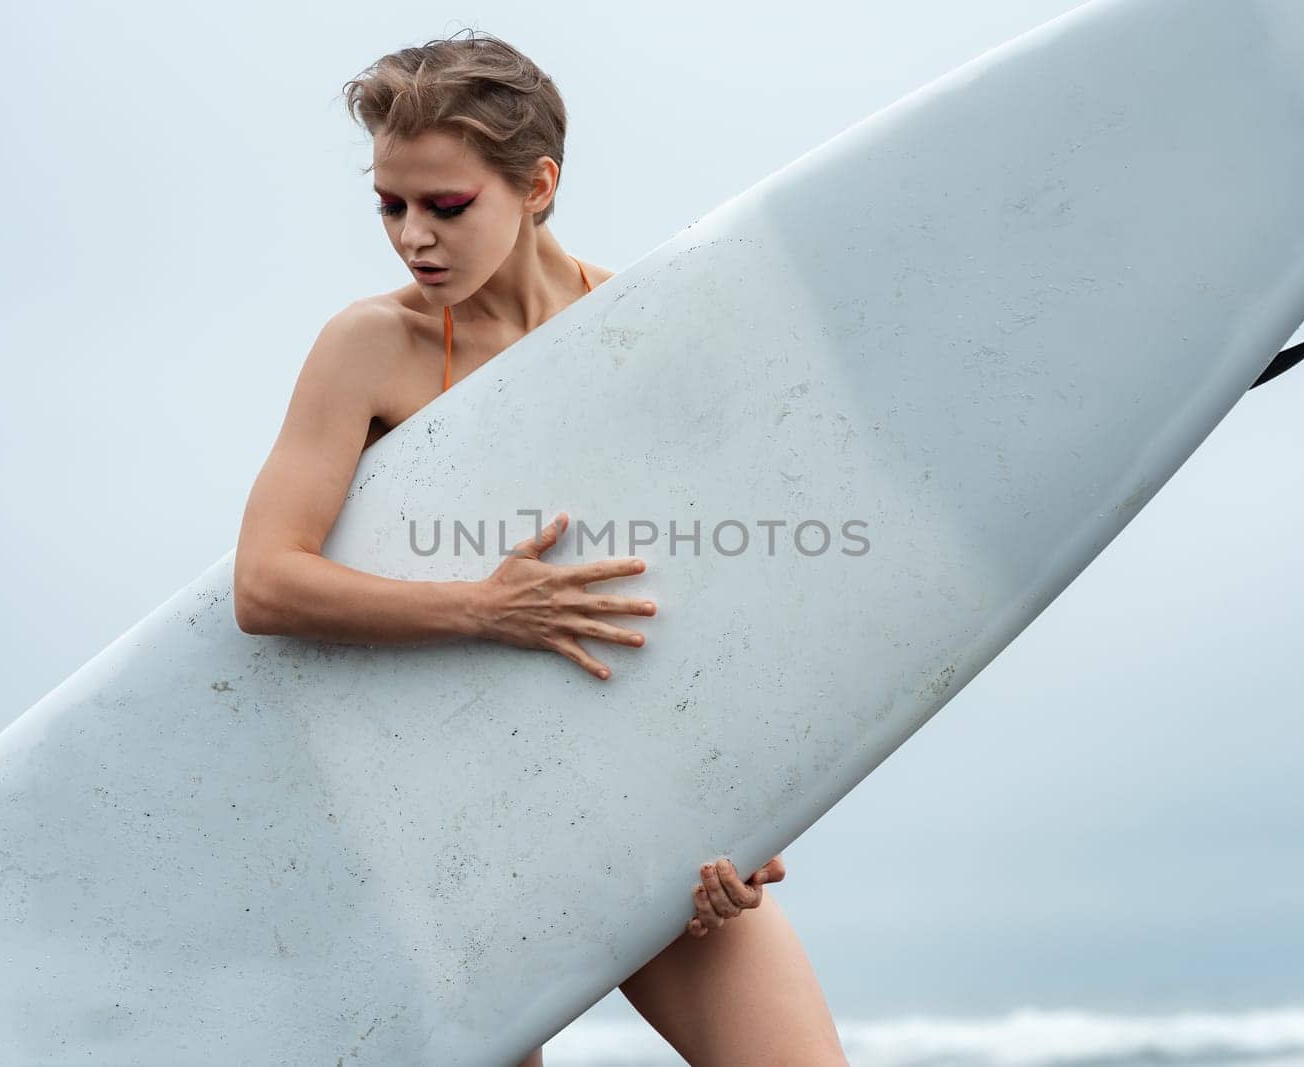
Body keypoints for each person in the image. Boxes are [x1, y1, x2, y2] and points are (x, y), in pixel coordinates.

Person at [232, 29, 847, 1067]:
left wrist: (754, 813)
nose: (412, 238)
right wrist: (485, 607)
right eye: (390, 205)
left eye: (446, 205)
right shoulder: (366, 346)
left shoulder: (648, 327)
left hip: (651, 815)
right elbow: (265, 579)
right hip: (453, 832)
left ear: (538, 185)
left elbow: (730, 594)